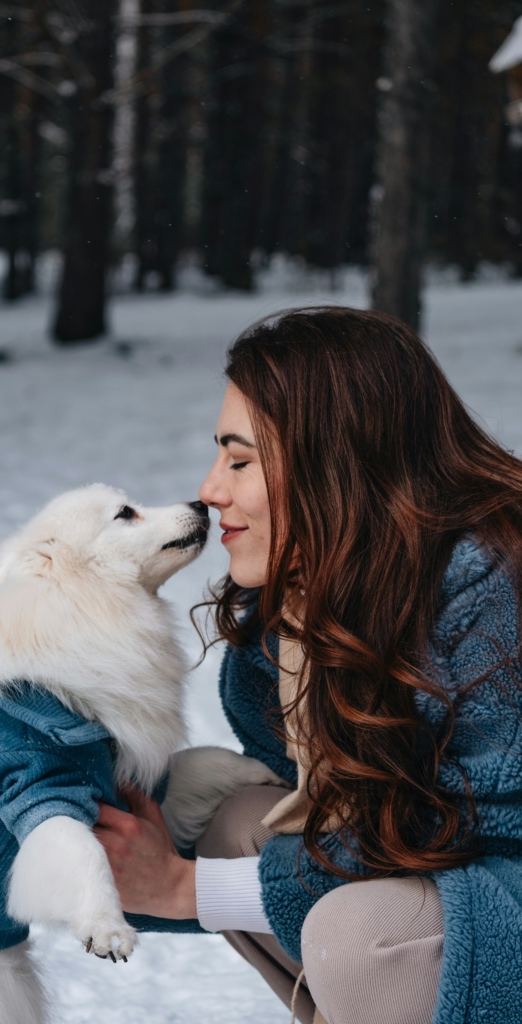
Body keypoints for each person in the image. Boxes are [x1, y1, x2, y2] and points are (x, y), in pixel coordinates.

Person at [94, 307, 522, 1024]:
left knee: (358, 936)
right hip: (437, 882)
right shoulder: (302, 611)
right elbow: (322, 812)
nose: (209, 489)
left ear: (334, 461)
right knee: (237, 824)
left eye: (239, 460)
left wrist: (184, 890)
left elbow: (467, 830)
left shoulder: (494, 587)